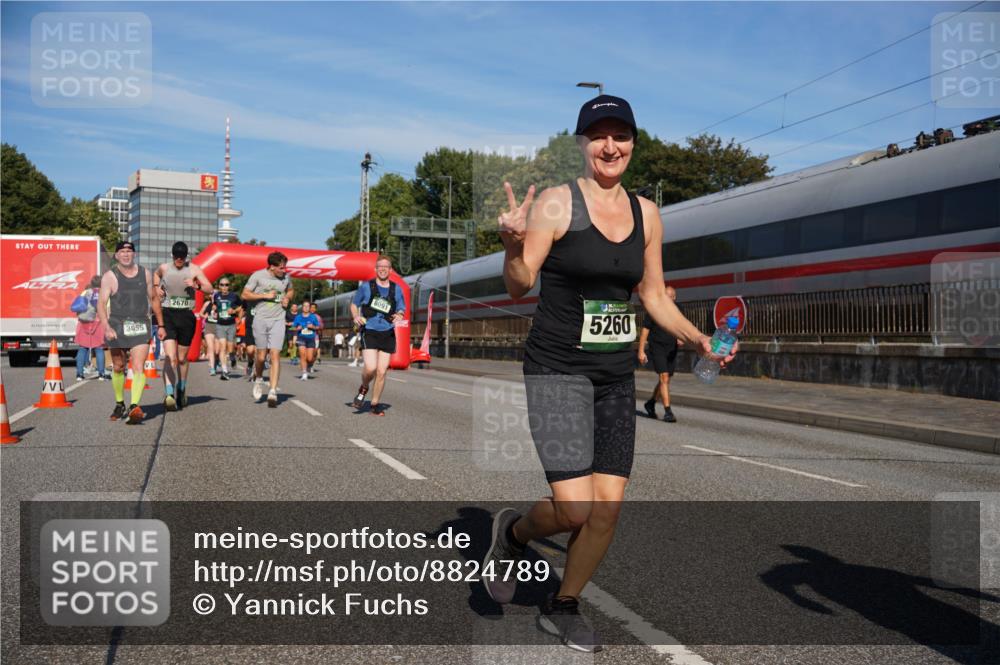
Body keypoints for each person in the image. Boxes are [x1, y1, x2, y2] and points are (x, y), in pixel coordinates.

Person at [484, 95, 737, 652]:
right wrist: (510, 243)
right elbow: (520, 283)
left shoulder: (647, 213)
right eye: (598, 135)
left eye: (620, 135)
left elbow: (651, 295)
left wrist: (697, 338)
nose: (609, 145)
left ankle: (564, 604)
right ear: (582, 144)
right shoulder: (556, 204)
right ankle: (513, 533)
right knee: (574, 508)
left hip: (615, 377)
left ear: (632, 144)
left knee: (606, 510)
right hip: (556, 370)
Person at [97, 241, 165, 425]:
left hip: (140, 324)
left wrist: (161, 325)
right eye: (122, 251)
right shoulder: (110, 276)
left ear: (134, 254)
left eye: (129, 251)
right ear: (117, 255)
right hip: (117, 325)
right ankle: (120, 403)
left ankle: (134, 406)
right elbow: (101, 304)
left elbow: (153, 299)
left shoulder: (145, 273)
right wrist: (106, 326)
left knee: (138, 366)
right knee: (118, 366)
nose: (126, 254)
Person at [154, 241, 213, 411]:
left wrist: (196, 285)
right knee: (170, 357)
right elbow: (156, 276)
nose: (179, 259)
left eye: (182, 257)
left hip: (186, 316)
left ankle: (182, 388)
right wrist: (157, 287)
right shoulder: (164, 268)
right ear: (172, 255)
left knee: (181, 359)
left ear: (186, 256)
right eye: (176, 256)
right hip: (168, 315)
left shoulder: (194, 269)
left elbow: (209, 288)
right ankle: (169, 393)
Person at [349, 255, 405, 416]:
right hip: (370, 330)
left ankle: (374, 404)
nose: (382, 269)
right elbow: (354, 304)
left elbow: (401, 307)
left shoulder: (396, 288)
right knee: (371, 368)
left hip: (387, 332)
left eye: (386, 267)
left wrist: (400, 314)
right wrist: (356, 316)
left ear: (390, 269)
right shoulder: (367, 287)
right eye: (380, 266)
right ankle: (364, 386)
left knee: (382, 371)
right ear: (375, 269)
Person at [242, 251, 293, 407]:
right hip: (260, 319)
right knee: (262, 356)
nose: (284, 271)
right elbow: (244, 294)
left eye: (285, 268)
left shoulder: (286, 278)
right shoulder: (258, 276)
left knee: (275, 354)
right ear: (272, 267)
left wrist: (287, 299)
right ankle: (258, 378)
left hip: (278, 319)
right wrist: (263, 296)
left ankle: (272, 391)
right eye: (281, 268)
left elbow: (290, 290)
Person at [639, 285, 681, 422]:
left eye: (670, 297)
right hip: (657, 347)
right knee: (664, 378)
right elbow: (645, 330)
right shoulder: (654, 310)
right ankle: (668, 411)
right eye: (665, 297)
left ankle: (650, 403)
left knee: (665, 380)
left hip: (671, 349)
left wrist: (681, 337)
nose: (668, 300)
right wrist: (640, 351)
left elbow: (681, 326)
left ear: (674, 298)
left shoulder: (678, 310)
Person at [73, 275, 108, 381]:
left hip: (84, 324)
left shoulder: (85, 292)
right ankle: (101, 374)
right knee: (99, 348)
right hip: (98, 324)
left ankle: (79, 374)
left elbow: (78, 306)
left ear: (92, 283)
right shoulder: (104, 294)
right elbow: (107, 310)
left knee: (83, 348)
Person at [212, 277, 241, 380]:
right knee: (222, 347)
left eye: (226, 285)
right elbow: (215, 306)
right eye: (222, 285)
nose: (224, 287)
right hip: (220, 324)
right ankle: (224, 371)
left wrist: (234, 311)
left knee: (230, 347)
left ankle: (232, 356)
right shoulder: (216, 295)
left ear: (229, 286)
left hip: (231, 324)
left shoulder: (234, 296)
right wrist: (214, 309)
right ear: (219, 286)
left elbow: (240, 307)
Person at [292, 299, 320, 381]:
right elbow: (292, 327)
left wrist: (313, 327)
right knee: (302, 355)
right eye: (304, 306)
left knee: (310, 358)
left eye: (308, 306)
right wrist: (297, 328)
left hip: (311, 338)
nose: (306, 308)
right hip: (301, 338)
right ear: (302, 307)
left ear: (309, 308)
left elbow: (318, 327)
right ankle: (304, 373)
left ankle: (308, 366)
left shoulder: (313, 317)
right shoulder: (298, 317)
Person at [200, 297, 219, 375]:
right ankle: (212, 368)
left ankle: (216, 362)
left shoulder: (221, 304)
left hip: (219, 327)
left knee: (217, 351)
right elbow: (201, 313)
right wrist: (205, 317)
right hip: (209, 327)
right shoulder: (207, 304)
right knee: (210, 348)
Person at [309, 302, 324, 370]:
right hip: (306, 337)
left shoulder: (318, 317)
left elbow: (321, 326)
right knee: (308, 353)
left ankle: (311, 365)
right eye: (311, 307)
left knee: (314, 353)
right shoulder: (304, 316)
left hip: (315, 337)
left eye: (314, 308)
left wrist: (315, 327)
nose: (312, 309)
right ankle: (308, 365)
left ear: (316, 309)